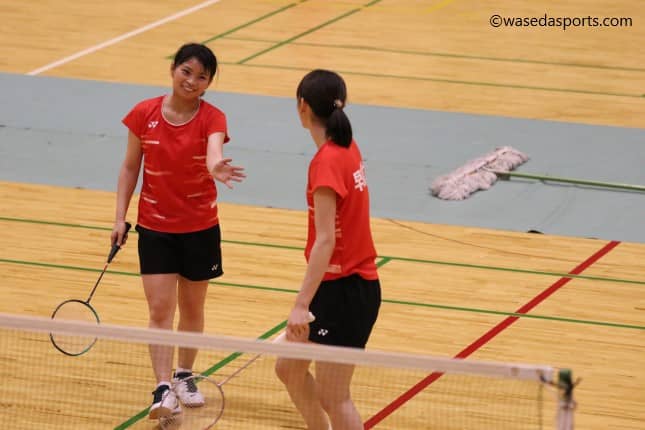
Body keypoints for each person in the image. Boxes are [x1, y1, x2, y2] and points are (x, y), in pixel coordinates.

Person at [110, 42, 245, 420]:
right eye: (187, 71)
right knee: (159, 308)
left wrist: (215, 167)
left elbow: (214, 152)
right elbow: (129, 168)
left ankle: (184, 374)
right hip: (156, 228)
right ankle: (162, 388)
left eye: (202, 77)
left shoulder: (213, 118)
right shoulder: (144, 114)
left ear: (208, 83)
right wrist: (120, 217)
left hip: (200, 227)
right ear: (173, 70)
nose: (192, 81)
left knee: (191, 307)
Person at [275, 69, 381, 430]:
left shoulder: (326, 163)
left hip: (347, 292)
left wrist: (300, 304)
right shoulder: (347, 146)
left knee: (334, 397)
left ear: (303, 107)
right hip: (337, 286)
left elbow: (325, 240)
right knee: (288, 368)